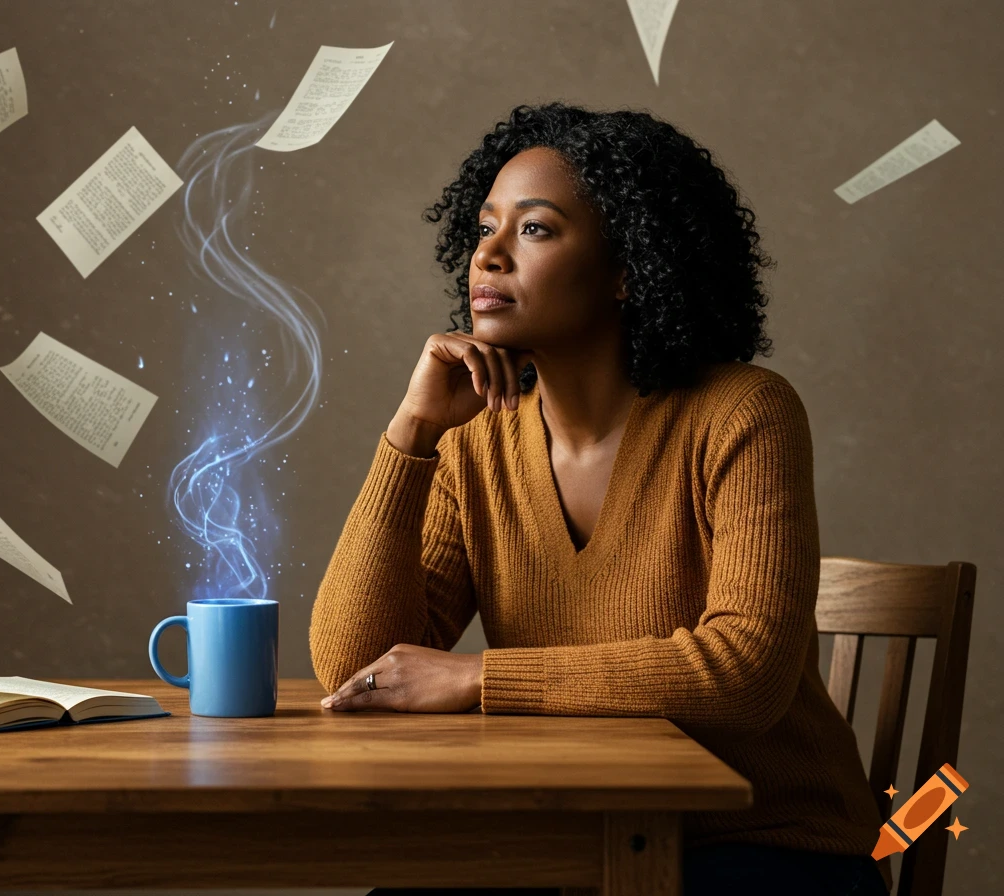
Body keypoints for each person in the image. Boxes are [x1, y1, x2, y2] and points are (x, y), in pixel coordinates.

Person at [309, 103, 888, 896]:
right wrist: (409, 436)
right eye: (484, 228)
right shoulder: (476, 437)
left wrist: (482, 680)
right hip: (567, 838)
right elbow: (356, 666)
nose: (490, 256)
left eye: (536, 229)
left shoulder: (743, 413)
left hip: (760, 844)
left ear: (629, 267)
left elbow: (745, 675)